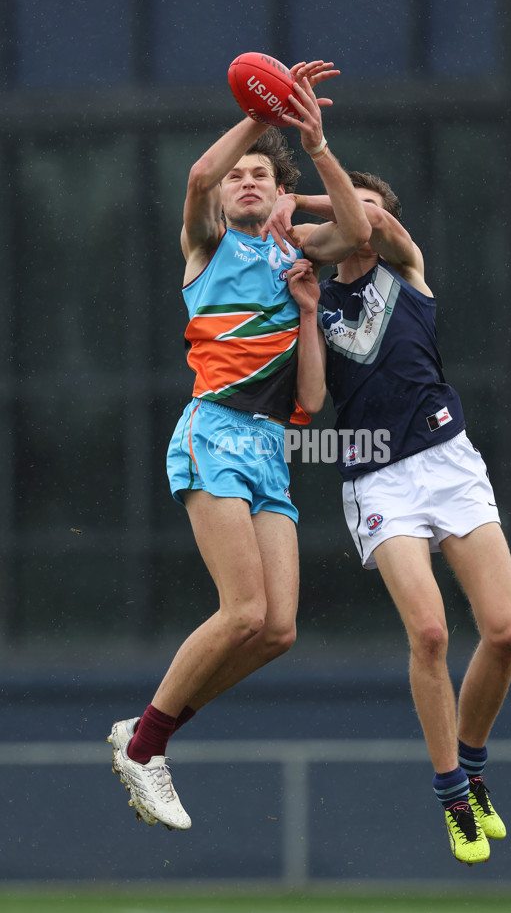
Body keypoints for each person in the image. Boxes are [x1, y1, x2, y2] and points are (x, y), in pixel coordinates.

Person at [107, 64, 371, 831]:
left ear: (281, 194)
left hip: (268, 449)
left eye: (262, 174)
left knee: (278, 629)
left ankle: (145, 736)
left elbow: (357, 234)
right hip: (213, 429)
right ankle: (145, 746)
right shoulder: (205, 246)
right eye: (240, 176)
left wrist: (315, 145)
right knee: (243, 608)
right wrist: (263, 115)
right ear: (226, 196)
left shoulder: (298, 260)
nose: (246, 180)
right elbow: (196, 173)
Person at [263, 171, 511, 865]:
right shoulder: (313, 297)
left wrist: (307, 190)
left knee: (504, 631)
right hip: (378, 476)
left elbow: (368, 222)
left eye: (369, 206)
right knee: (432, 632)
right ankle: (451, 796)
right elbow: (313, 403)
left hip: (448, 460)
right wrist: (306, 303)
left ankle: (471, 766)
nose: (362, 218)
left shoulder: (405, 265)